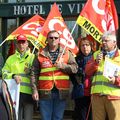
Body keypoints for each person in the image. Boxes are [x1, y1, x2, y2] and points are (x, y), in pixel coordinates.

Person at [30, 30, 78, 120]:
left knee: (58, 117)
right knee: (46, 118)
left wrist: (63, 66)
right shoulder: (39, 54)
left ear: (59, 39)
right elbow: (34, 74)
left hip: (61, 91)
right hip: (44, 91)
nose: (53, 39)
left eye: (56, 38)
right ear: (47, 40)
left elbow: (75, 68)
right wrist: (34, 90)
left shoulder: (67, 53)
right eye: (51, 38)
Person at [85, 31, 120, 120]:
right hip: (97, 96)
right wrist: (96, 63)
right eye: (102, 41)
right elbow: (87, 71)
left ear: (114, 42)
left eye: (106, 41)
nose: (103, 43)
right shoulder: (96, 54)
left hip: (114, 96)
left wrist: (116, 80)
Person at [2, 34, 35, 120]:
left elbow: (37, 74)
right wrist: (13, 75)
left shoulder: (33, 58)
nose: (21, 45)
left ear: (27, 44)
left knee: (28, 118)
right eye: (19, 42)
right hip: (15, 94)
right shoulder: (10, 59)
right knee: (16, 118)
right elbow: (4, 73)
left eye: (23, 42)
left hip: (29, 94)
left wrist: (31, 70)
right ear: (16, 44)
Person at [71, 35, 95, 120]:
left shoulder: (96, 58)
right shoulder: (75, 60)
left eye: (87, 45)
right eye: (82, 45)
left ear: (91, 46)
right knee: (81, 116)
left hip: (93, 92)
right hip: (80, 92)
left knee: (92, 116)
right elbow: (72, 76)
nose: (85, 47)